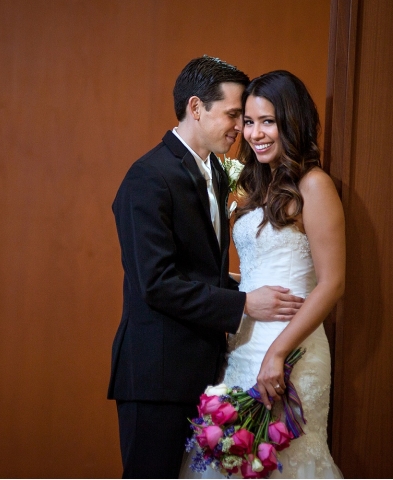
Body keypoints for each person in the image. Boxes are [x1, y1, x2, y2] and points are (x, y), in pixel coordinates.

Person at [109, 57, 306, 479]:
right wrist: (244, 303)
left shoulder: (218, 172)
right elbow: (157, 283)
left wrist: (243, 281)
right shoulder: (148, 177)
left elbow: (197, 266)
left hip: (206, 370)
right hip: (157, 376)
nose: (241, 128)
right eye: (234, 114)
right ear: (197, 107)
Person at [180, 70, 344, 478]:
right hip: (244, 342)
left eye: (267, 121)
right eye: (248, 122)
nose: (254, 134)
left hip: (291, 346)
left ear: (291, 121)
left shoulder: (315, 185)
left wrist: (278, 352)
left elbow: (332, 282)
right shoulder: (257, 185)